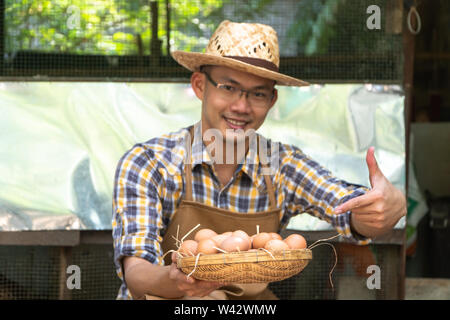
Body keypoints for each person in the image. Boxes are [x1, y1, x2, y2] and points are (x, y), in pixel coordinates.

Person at [112, 20, 406, 300]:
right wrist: (178, 280)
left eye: (258, 94)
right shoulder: (149, 163)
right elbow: (136, 272)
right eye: (228, 87)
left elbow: (346, 206)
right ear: (200, 85)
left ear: (272, 101)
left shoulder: (282, 166)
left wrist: (381, 209)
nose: (241, 106)